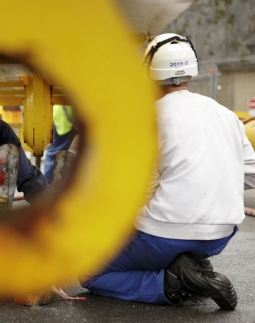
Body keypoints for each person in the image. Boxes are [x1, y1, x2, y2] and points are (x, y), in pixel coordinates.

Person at [81, 33, 255, 310]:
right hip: (220, 234)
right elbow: (251, 172)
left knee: (91, 273)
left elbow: (142, 188)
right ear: (192, 69)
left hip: (163, 235)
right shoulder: (225, 114)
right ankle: (193, 265)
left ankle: (172, 283)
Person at [43, 105, 78, 184]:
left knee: (54, 155)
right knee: (54, 156)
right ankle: (48, 189)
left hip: (67, 115)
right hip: (66, 117)